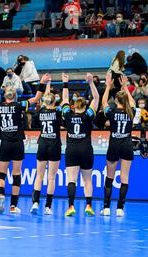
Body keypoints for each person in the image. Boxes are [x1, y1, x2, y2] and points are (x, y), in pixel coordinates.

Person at [0, 74, 50, 214]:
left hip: (5, 143)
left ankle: (1, 194)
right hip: (18, 143)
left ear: (5, 95)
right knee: (16, 174)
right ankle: (13, 205)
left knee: (2, 174)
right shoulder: (19, 106)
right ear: (14, 95)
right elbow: (37, 98)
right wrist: (42, 83)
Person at [62, 73, 100, 217]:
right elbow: (96, 98)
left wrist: (65, 83)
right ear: (85, 106)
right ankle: (88, 205)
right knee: (87, 179)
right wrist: (91, 82)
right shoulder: (88, 115)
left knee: (72, 179)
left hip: (71, 149)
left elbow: (65, 98)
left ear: (74, 106)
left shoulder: (68, 115)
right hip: (86, 150)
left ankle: (71, 206)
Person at [101, 73, 137, 217]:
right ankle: (120, 208)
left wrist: (108, 86)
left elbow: (103, 102)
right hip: (127, 146)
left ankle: (106, 207)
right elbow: (132, 103)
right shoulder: (130, 112)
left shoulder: (112, 112)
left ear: (116, 100)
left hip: (114, 146)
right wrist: (125, 87)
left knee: (109, 177)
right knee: (124, 178)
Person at [30, 74, 65, 215]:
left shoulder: (40, 112)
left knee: (39, 175)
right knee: (51, 177)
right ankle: (48, 207)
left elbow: (46, 98)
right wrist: (63, 84)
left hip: (43, 144)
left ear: (45, 101)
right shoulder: (57, 112)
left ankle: (35, 203)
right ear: (55, 101)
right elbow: (64, 101)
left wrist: (47, 83)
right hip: (55, 145)